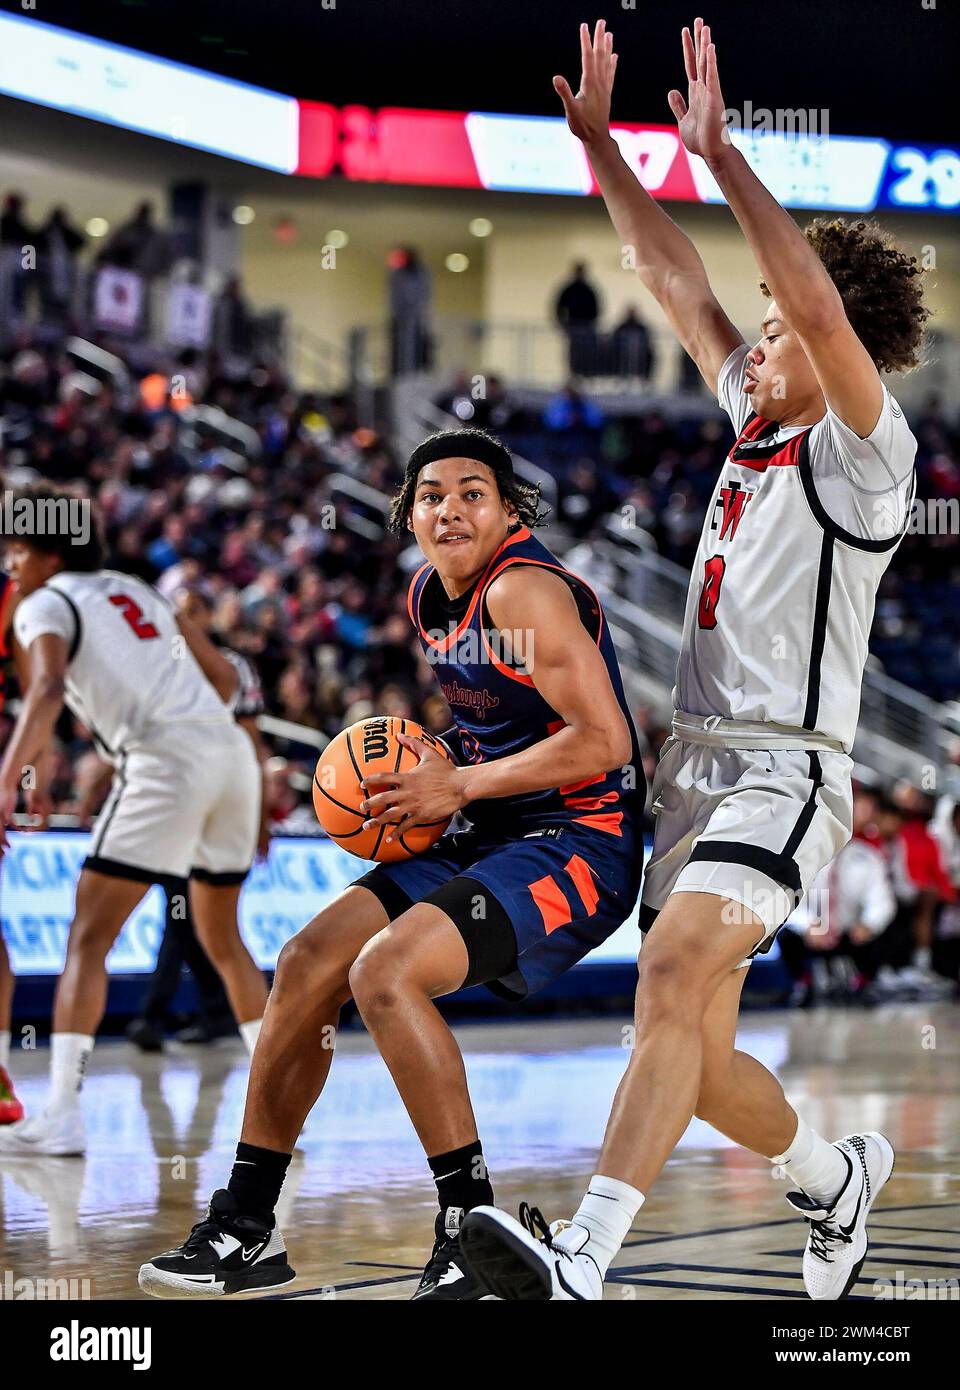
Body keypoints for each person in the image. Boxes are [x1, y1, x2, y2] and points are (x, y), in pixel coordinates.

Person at [458, 18, 927, 1302]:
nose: (757, 341)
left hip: (786, 776)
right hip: (693, 775)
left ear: (835, 349)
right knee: (693, 1052)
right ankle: (835, 1179)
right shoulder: (751, 420)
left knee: (667, 977)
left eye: (777, 329)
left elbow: (815, 302)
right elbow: (670, 278)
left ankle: (583, 1259)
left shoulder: (866, 460)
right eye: (760, 330)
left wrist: (720, 157)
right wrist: (607, 151)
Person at [138, 426, 645, 1300]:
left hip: (578, 840)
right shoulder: (426, 596)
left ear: (511, 512)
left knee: (385, 974)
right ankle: (246, 1227)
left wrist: (461, 783)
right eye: (431, 496)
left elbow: (604, 741)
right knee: (305, 962)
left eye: (473, 493)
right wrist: (431, 766)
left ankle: (468, 1229)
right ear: (409, 516)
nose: (450, 509)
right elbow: (497, 728)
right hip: (489, 822)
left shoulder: (522, 591)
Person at [0, 485, 268, 1156]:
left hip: (162, 762)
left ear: (49, 554)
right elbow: (227, 681)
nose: (11, 564)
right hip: (230, 758)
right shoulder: (136, 588)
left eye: (18, 550)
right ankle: (279, 1105)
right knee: (223, 939)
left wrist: (7, 782)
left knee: (88, 938)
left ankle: (63, 1114)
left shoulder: (43, 603)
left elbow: (47, 688)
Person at [127, 586, 270, 1050]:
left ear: (208, 616)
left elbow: (253, 743)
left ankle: (158, 1015)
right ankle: (214, 1012)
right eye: (177, 610)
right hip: (173, 798)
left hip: (222, 801)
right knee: (187, 915)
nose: (182, 617)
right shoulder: (159, 665)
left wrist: (261, 817)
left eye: (191, 610)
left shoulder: (233, 666)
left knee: (197, 918)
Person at [554, 261, 600, 376]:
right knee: (574, 353)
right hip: (574, 326)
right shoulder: (570, 289)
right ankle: (574, 375)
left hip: (585, 327)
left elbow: (596, 310)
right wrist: (562, 324)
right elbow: (559, 308)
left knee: (586, 353)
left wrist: (592, 324)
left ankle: (584, 374)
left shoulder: (587, 290)